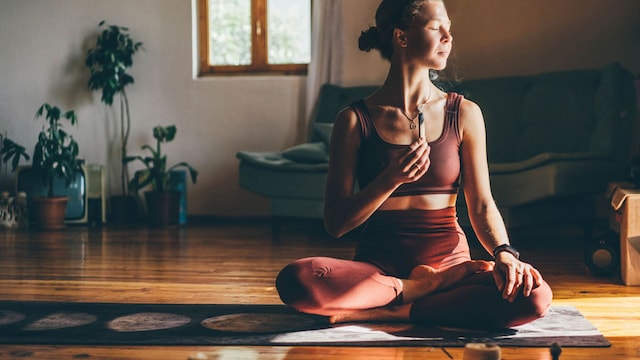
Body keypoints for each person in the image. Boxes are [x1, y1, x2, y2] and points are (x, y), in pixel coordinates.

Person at [275, 0, 553, 330]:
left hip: (451, 265)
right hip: (378, 268)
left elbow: (481, 204)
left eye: (450, 28)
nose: (449, 37)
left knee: (534, 296)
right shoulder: (353, 121)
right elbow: (336, 223)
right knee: (299, 280)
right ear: (401, 37)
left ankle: (395, 311)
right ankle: (421, 291)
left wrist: (504, 254)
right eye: (437, 28)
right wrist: (390, 179)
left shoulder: (464, 114)